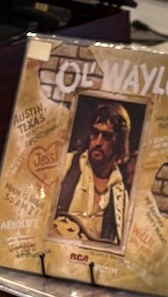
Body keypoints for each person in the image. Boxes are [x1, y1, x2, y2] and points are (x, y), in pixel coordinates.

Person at [51, 102, 134, 245]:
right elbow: (35, 215)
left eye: (107, 136)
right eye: (95, 133)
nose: (98, 142)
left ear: (119, 142)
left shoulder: (121, 197)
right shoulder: (64, 165)